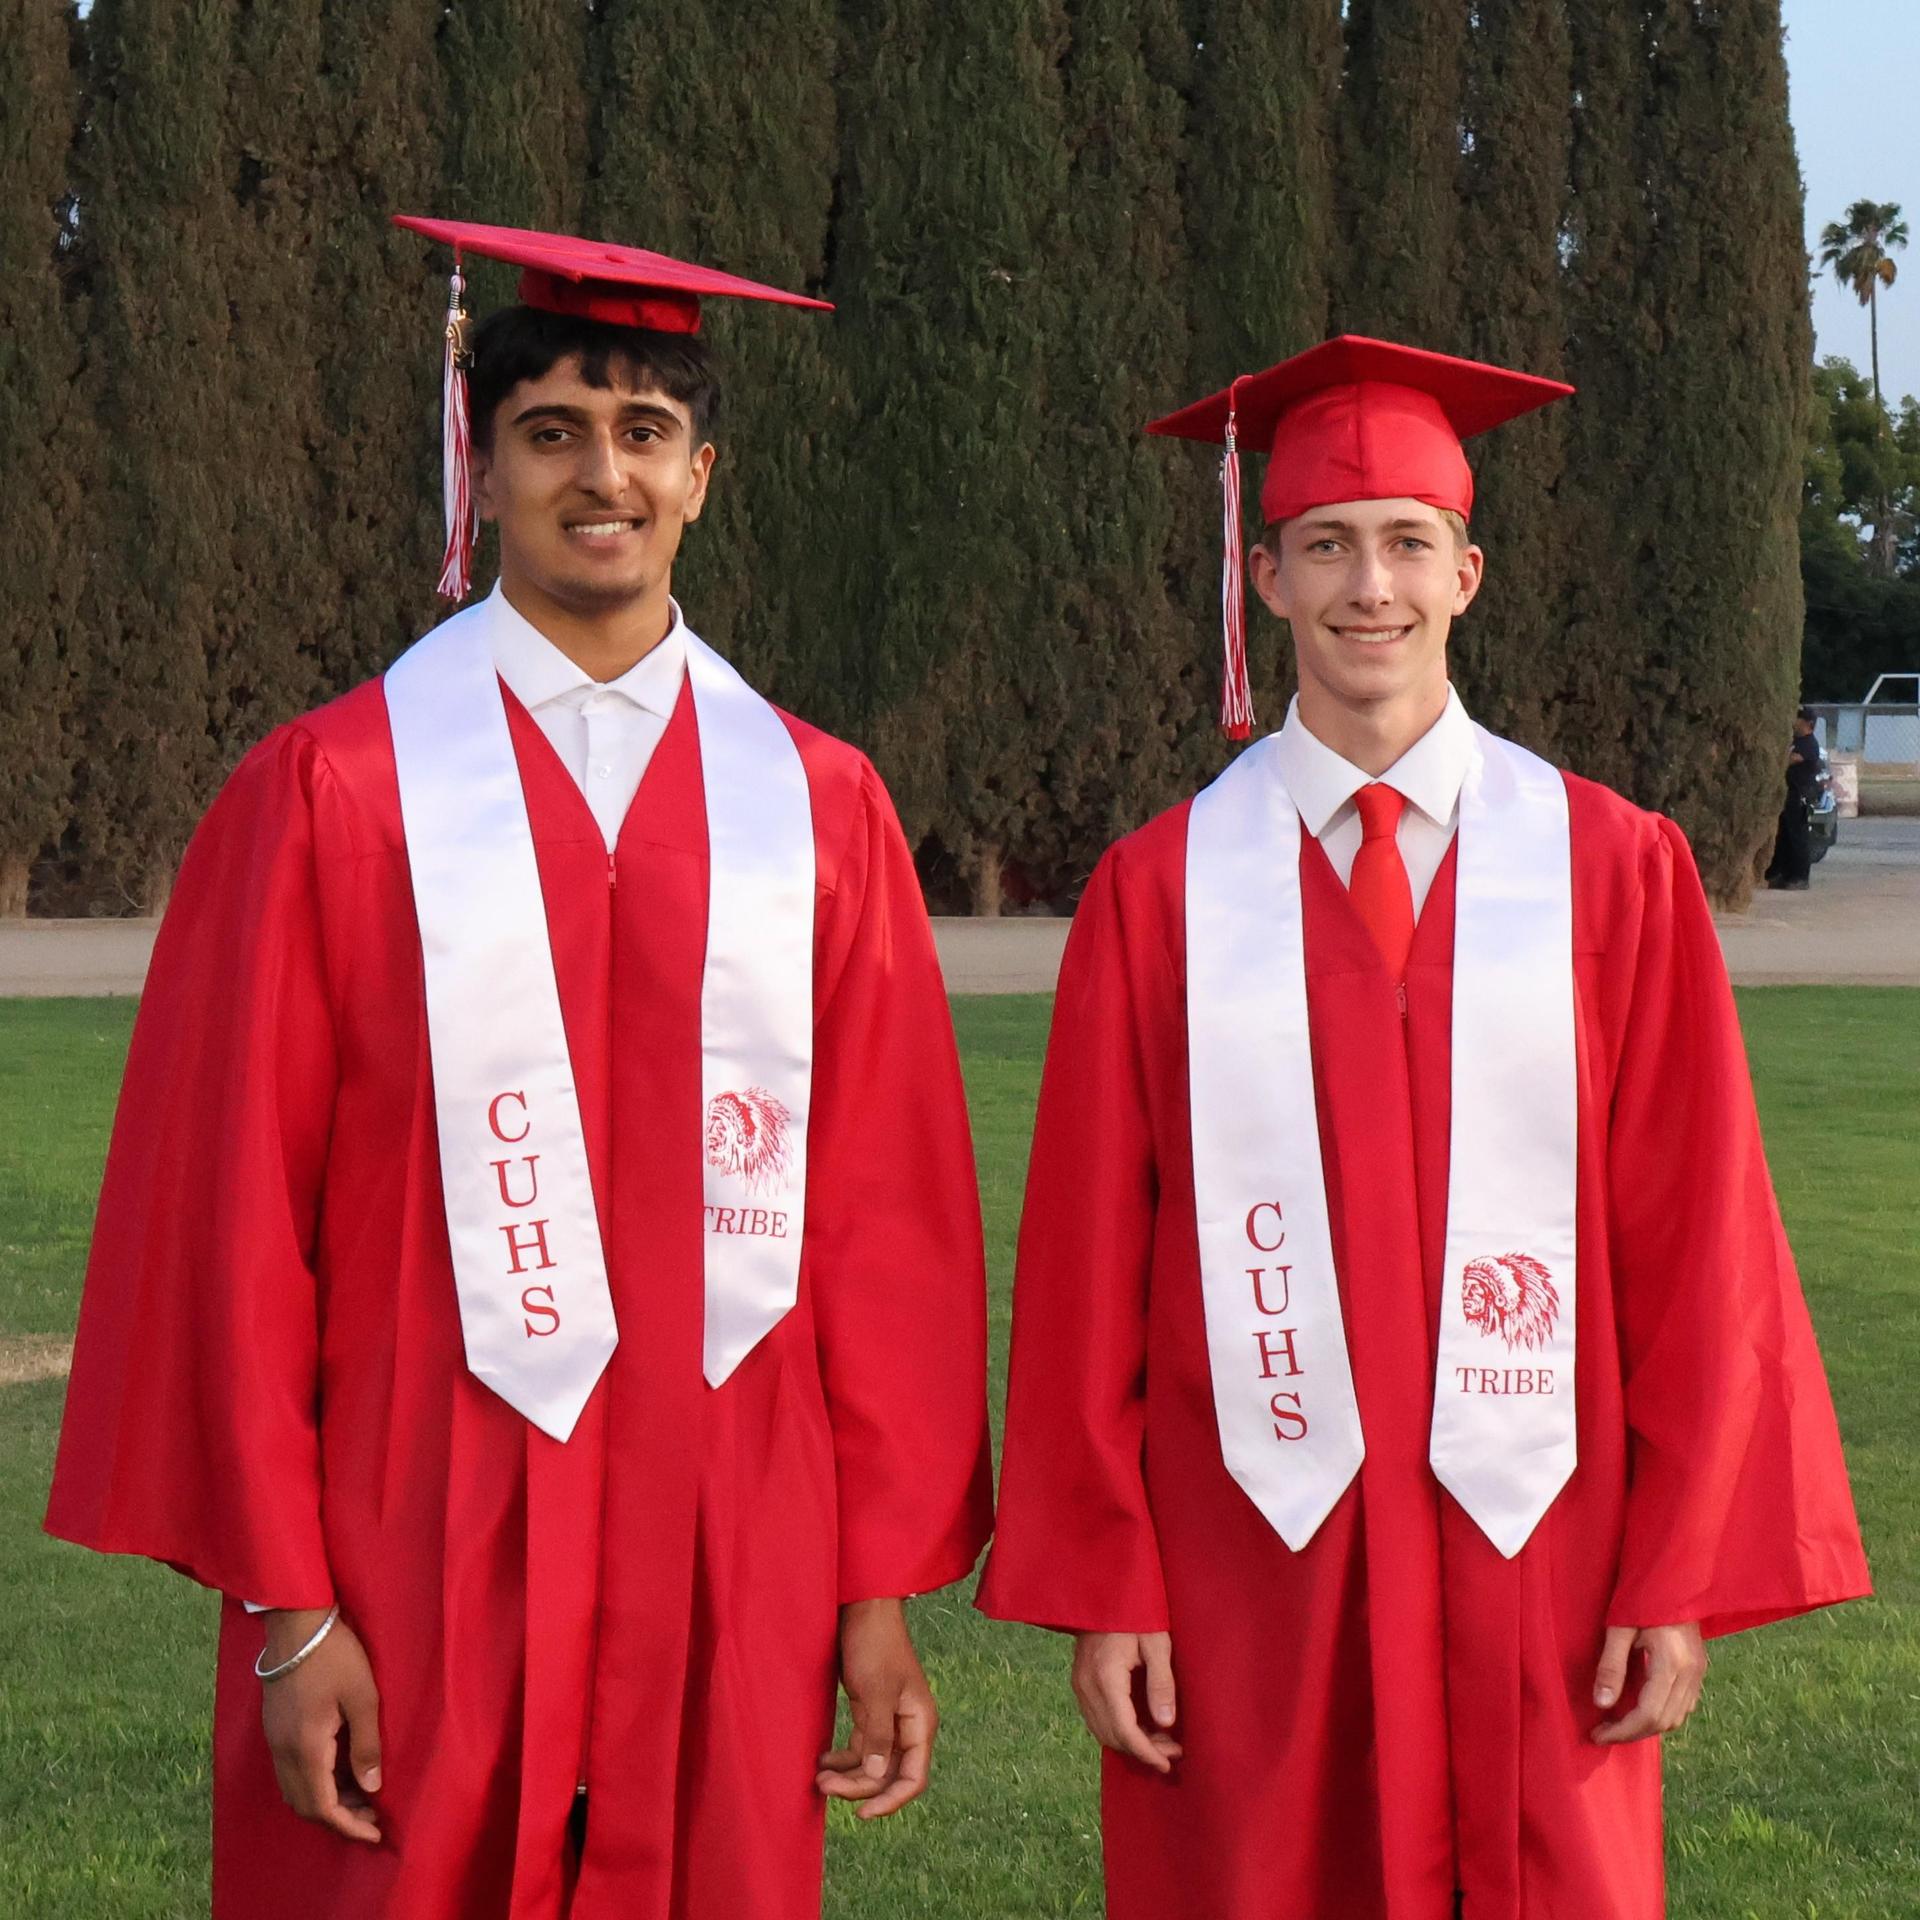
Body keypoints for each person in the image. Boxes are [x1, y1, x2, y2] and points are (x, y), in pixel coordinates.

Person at [46, 216, 993, 1920]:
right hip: (414, 1533)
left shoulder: (815, 808)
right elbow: (232, 1222)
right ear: (480, 471)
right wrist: (292, 1610)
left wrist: (874, 1585)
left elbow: (887, 1225)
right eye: (551, 432)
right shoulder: (333, 793)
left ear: (705, 473)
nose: (600, 476)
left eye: (643, 435)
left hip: (729, 1536)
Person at [977, 335, 1869, 1920]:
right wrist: (1106, 1581)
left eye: (1403, 543)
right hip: (1250, 1547)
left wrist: (1676, 1571)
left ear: (1468, 572)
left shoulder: (1613, 869)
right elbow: (1085, 1264)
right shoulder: (1163, 889)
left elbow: (1701, 1240)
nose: (1365, 585)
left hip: (1544, 1540)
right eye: (1325, 544)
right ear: (1265, 577)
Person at [1766, 706, 1825, 889]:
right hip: (1788, 794)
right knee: (1784, 836)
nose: (1795, 722)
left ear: (1809, 724)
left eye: (1799, 719)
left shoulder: (1809, 744)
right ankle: (1783, 873)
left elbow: (1791, 760)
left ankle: (1800, 876)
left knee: (1797, 836)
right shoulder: (1796, 741)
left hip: (1799, 795)